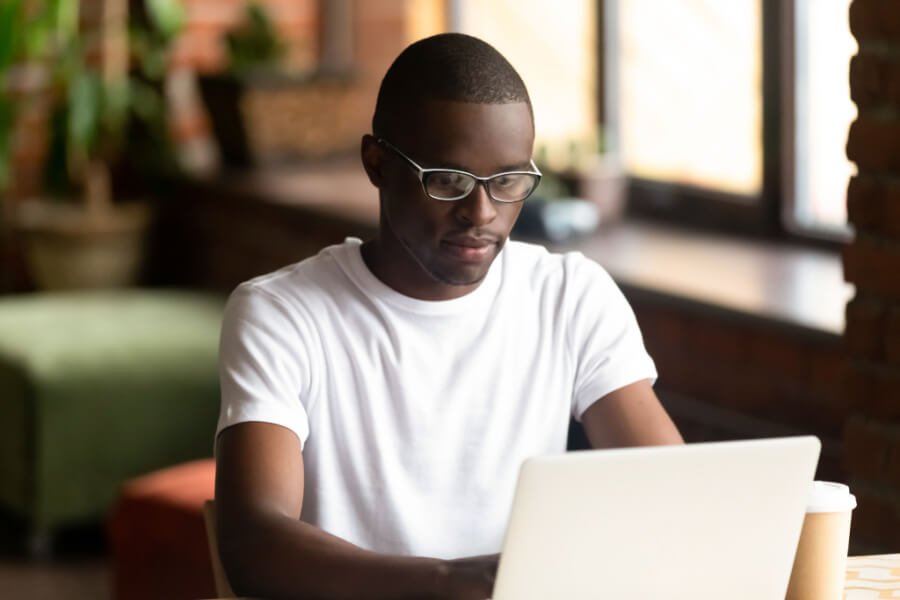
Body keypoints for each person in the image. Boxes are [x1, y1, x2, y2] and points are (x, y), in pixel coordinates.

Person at [214, 32, 683, 600]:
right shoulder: (284, 315)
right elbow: (253, 542)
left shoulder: (569, 296)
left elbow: (670, 494)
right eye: (449, 181)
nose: (481, 213)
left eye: (508, 182)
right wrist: (450, 582)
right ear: (377, 164)